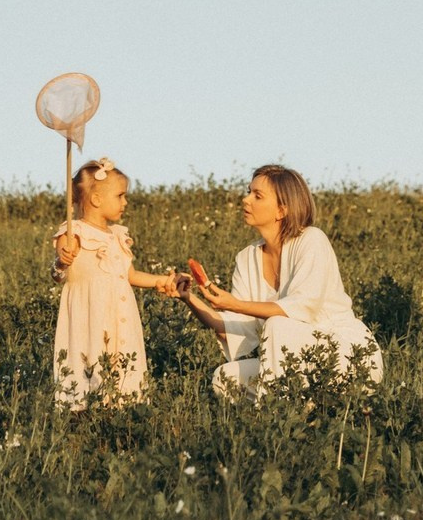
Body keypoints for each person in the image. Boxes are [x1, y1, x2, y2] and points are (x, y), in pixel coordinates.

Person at [173, 164, 383, 398]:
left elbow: (302, 309)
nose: (245, 200)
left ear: (282, 210)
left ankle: (279, 417)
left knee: (277, 324)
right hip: (289, 363)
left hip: (345, 355)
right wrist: (189, 298)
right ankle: (289, 414)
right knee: (225, 378)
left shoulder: (312, 240)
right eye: (248, 191)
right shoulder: (247, 258)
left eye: (257, 196)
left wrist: (234, 304)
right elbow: (232, 327)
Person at [50, 157, 176, 408]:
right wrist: (62, 261)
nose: (125, 202)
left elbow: (131, 275)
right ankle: (85, 412)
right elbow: (59, 273)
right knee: (90, 357)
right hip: (91, 316)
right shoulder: (74, 233)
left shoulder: (117, 236)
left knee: (121, 359)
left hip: (119, 315)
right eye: (120, 196)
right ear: (96, 199)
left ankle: (121, 411)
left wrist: (161, 280)